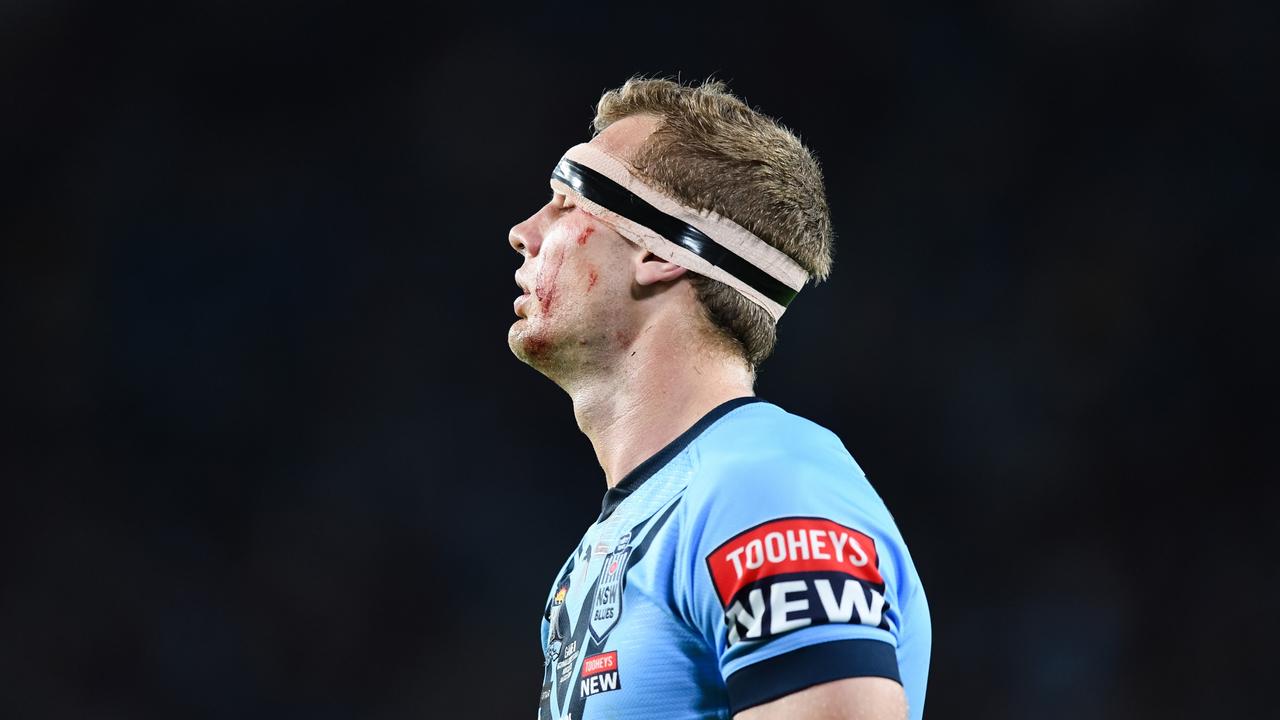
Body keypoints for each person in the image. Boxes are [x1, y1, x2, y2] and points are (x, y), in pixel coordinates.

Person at [508, 77, 930, 720]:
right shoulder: (624, 536)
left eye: (568, 201)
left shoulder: (762, 487)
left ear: (659, 251)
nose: (523, 231)